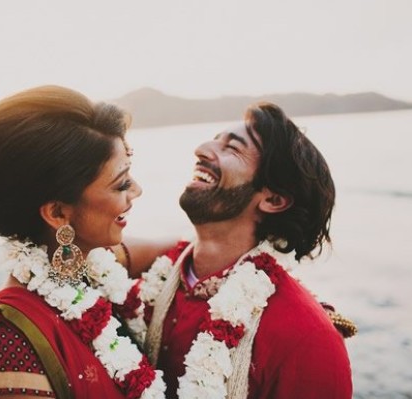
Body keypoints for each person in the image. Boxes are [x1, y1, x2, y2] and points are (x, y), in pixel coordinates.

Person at [0, 86, 171, 399]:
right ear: (57, 212)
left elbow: (179, 246)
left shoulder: (89, 263)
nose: (137, 191)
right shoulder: (9, 345)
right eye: (121, 184)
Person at [137, 102, 353, 398]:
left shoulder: (309, 339)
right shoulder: (153, 279)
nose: (201, 148)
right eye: (214, 138)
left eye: (232, 149)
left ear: (274, 200)